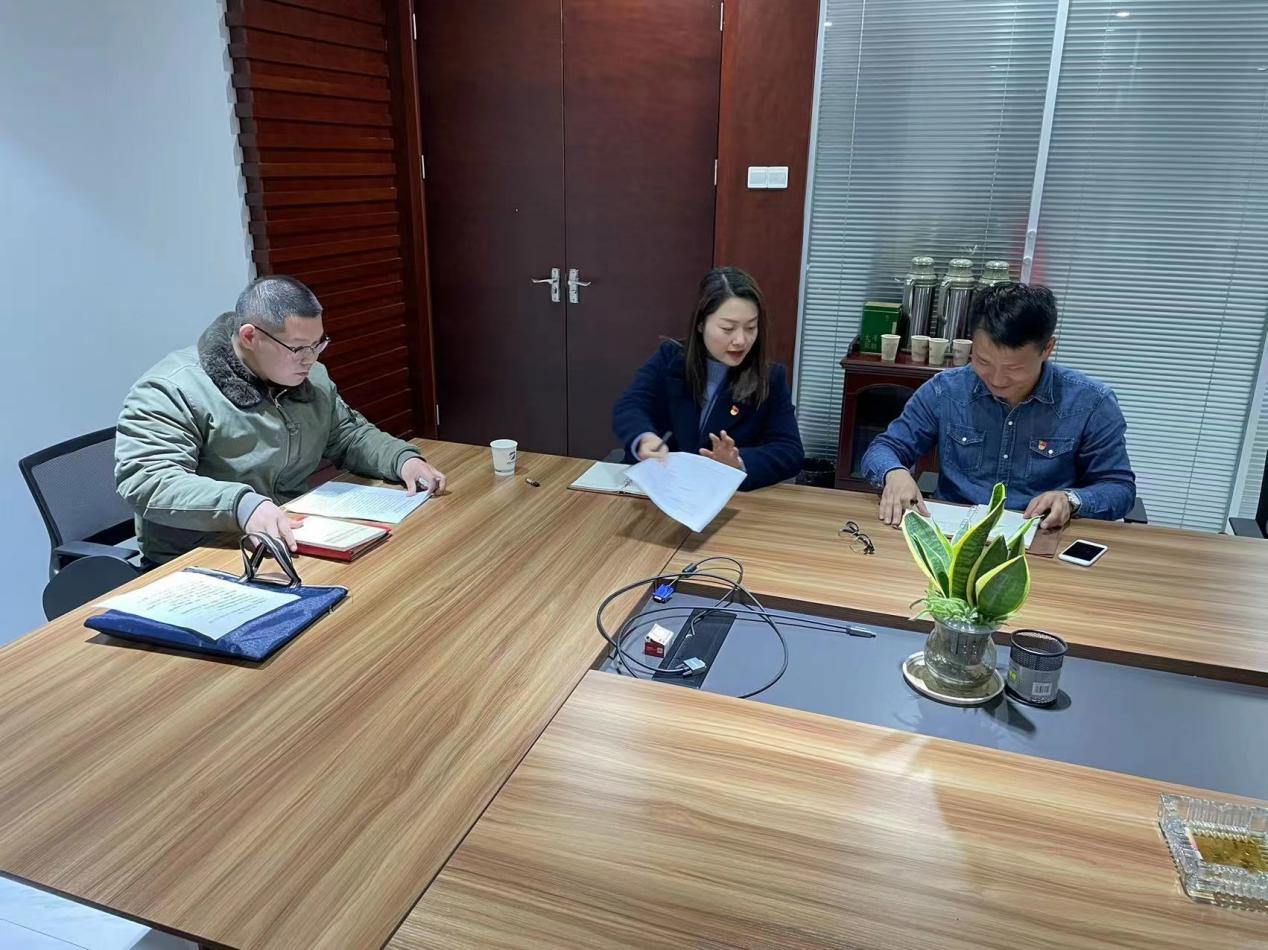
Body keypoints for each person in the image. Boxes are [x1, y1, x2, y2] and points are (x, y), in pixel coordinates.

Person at [115, 276, 446, 564]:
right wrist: (241, 505)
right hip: (204, 554)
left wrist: (401, 460)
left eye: (318, 344)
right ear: (249, 336)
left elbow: (347, 435)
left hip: (292, 538)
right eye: (298, 348)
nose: (310, 359)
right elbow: (148, 480)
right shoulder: (172, 389)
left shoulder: (310, 378)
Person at [861, 282, 1135, 529]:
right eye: (983, 361)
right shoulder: (946, 390)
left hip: (1040, 534)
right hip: (952, 533)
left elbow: (1119, 488)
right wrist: (894, 473)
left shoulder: (1091, 402)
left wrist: (1071, 499)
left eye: (1014, 368)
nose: (996, 379)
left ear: (1047, 349)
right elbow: (884, 448)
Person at [613, 266, 803, 490]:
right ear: (701, 324)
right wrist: (644, 438)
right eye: (728, 328)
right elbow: (631, 405)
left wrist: (738, 463)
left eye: (751, 327)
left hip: (720, 496)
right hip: (659, 488)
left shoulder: (769, 378)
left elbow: (790, 451)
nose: (741, 340)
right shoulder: (670, 358)